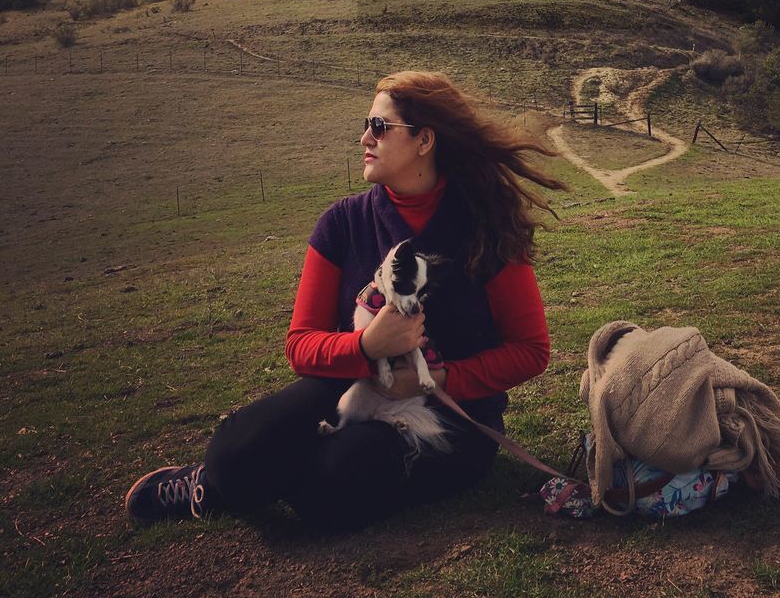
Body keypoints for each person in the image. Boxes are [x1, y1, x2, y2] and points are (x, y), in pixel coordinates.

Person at [124, 71, 566, 531]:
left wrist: (438, 378)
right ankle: (214, 481)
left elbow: (530, 351)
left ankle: (266, 477)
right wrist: (366, 347)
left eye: (378, 126)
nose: (363, 138)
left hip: (449, 420)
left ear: (424, 140)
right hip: (351, 389)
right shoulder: (341, 223)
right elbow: (300, 345)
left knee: (332, 484)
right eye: (366, 125)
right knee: (233, 454)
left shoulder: (487, 226)